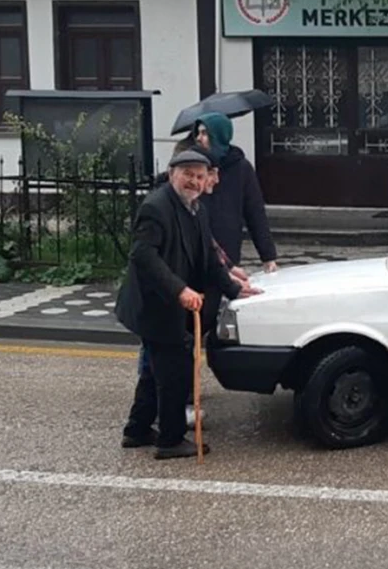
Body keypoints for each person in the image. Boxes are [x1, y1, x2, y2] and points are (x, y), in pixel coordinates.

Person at [118, 148, 260, 460]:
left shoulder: (197, 209)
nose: (194, 182)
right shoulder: (156, 207)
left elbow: (209, 260)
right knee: (175, 371)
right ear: (172, 174)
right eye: (188, 175)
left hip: (171, 303)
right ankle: (170, 441)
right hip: (155, 303)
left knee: (155, 371)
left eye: (199, 176)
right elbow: (143, 255)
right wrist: (180, 290)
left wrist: (233, 290)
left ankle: (137, 430)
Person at [191, 112, 278, 272]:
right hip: (195, 247)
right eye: (198, 133)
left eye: (204, 133)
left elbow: (255, 212)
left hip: (227, 247)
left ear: (218, 136)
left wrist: (268, 256)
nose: (198, 138)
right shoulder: (192, 165)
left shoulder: (241, 168)